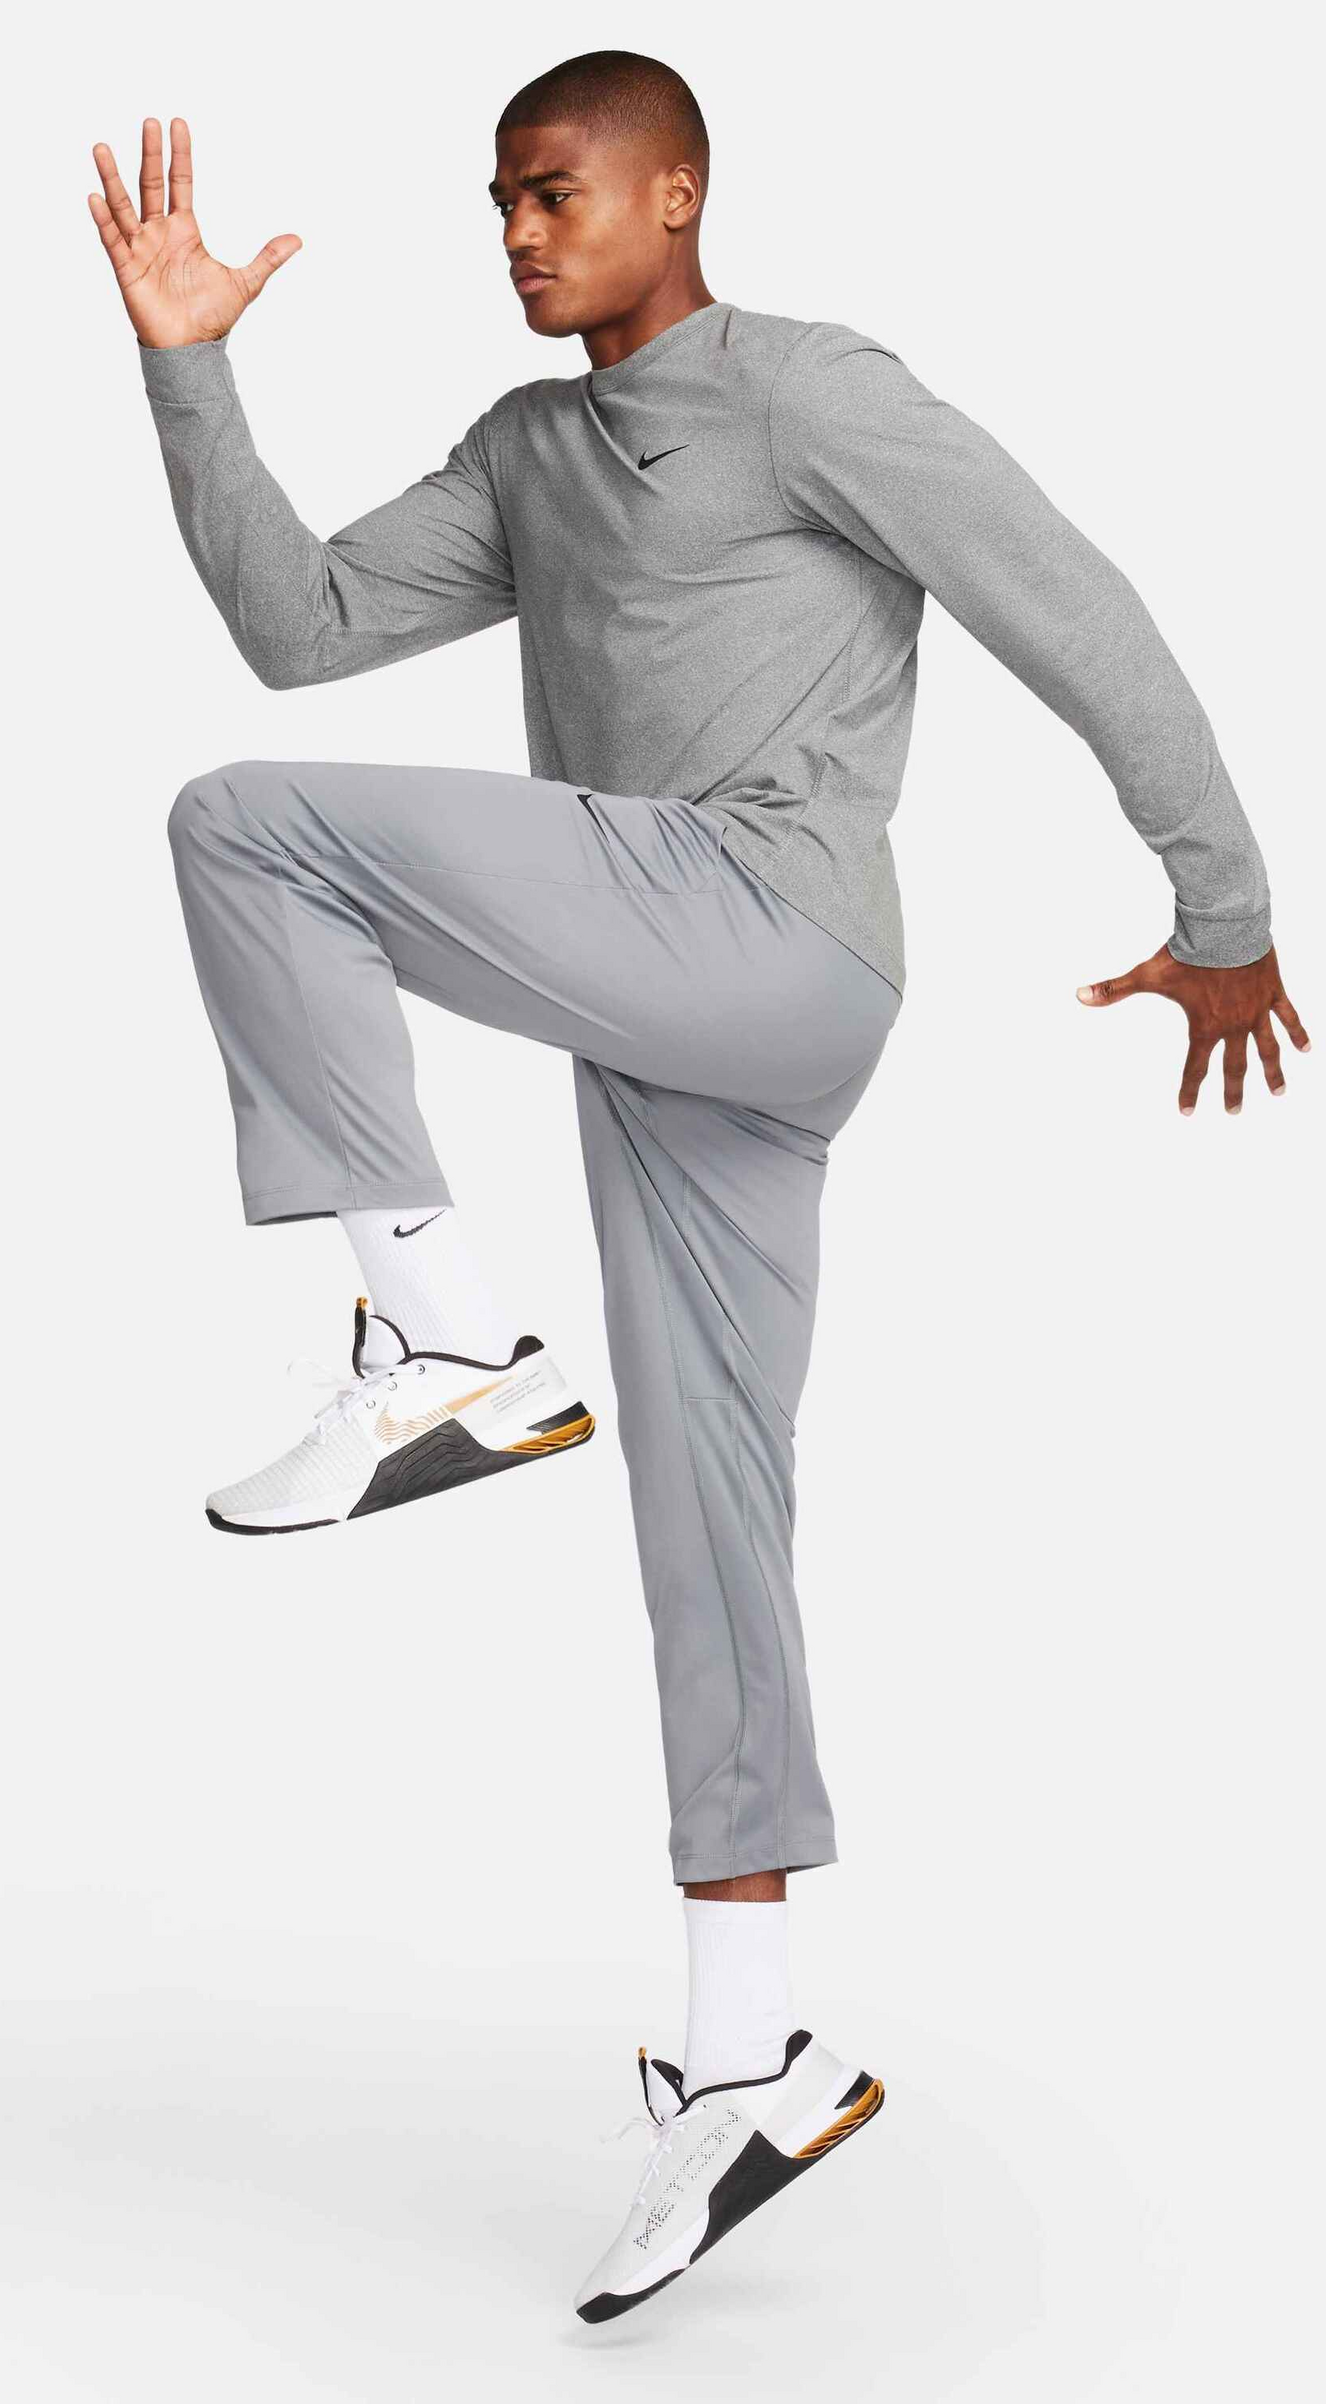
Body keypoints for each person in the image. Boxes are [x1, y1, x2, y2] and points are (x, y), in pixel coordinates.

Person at [85, 50, 1305, 2323]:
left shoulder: (809, 393)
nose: (518, 235)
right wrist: (189, 369)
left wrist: (1221, 905)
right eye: (497, 201)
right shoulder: (527, 453)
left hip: (763, 924)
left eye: (556, 194)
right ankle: (748, 2060)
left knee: (250, 828)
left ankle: (442, 1329)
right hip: (673, 1014)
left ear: (677, 194)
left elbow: (1071, 605)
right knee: (707, 1513)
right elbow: (300, 623)